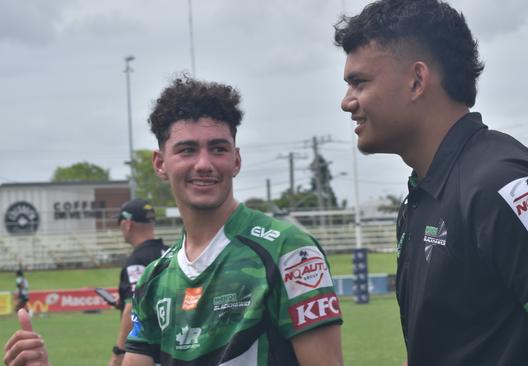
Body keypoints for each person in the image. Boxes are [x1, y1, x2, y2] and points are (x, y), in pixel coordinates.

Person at [335, 0, 528, 365]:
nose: (347, 102)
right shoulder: (419, 197)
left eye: (359, 82)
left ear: (416, 80)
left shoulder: (506, 185)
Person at [4, 76, 343, 366]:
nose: (204, 163)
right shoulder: (154, 279)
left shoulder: (288, 251)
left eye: (219, 149)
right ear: (160, 163)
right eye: (187, 150)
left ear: (236, 160)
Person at [110, 198, 169, 366]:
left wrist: (118, 353)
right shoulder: (172, 252)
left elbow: (132, 309)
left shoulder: (136, 260)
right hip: (173, 350)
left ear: (127, 224)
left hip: (147, 354)